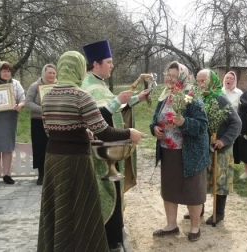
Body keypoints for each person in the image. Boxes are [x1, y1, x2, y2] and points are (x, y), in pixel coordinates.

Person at [37, 51, 142, 251]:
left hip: (53, 160)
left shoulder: (48, 96)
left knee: (59, 208)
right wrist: (129, 132)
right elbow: (104, 131)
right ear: (78, 69)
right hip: (76, 161)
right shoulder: (81, 96)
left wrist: (79, 131)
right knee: (80, 208)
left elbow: (48, 130)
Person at [81, 39, 149, 252]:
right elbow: (98, 117)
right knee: (108, 191)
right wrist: (117, 100)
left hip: (111, 147)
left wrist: (136, 98)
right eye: (109, 62)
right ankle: (110, 238)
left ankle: (115, 233)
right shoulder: (89, 87)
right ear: (96, 64)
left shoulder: (99, 83)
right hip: (102, 151)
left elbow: (114, 108)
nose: (112, 65)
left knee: (113, 188)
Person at [150, 61, 209, 241]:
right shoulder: (164, 97)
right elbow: (154, 121)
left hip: (190, 153)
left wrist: (184, 123)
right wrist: (154, 129)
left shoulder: (191, 97)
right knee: (169, 189)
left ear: (182, 77)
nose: (169, 78)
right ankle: (171, 225)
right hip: (168, 152)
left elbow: (202, 125)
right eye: (168, 74)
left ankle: (194, 227)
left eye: (174, 76)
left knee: (192, 191)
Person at [196, 69, 241, 225]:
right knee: (201, 179)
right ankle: (198, 209)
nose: (200, 84)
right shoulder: (200, 97)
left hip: (221, 147)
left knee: (220, 180)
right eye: (198, 81)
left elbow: (237, 122)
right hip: (204, 147)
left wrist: (223, 140)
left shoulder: (220, 98)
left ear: (212, 81)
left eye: (204, 81)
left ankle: (219, 213)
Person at [0, 61, 25, 186]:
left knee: (7, 148)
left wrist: (19, 106)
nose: (7, 73)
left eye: (9, 71)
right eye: (4, 71)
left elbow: (23, 99)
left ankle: (7, 175)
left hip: (9, 118)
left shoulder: (16, 84)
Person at [25, 64, 57, 185]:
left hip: (54, 121)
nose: (52, 75)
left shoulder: (58, 86)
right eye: (50, 73)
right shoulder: (34, 86)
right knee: (40, 147)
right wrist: (42, 110)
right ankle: (41, 174)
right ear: (44, 73)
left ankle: (53, 174)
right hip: (38, 120)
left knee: (53, 147)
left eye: (54, 73)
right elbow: (27, 102)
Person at [222, 71, 243, 164]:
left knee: (232, 143)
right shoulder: (220, 92)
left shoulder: (239, 93)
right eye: (227, 78)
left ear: (234, 81)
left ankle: (231, 163)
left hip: (233, 122)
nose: (229, 80)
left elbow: (242, 108)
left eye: (231, 78)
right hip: (221, 123)